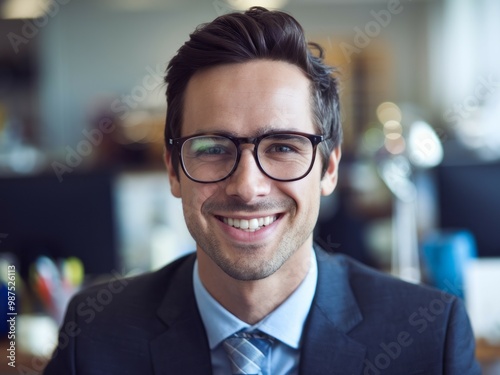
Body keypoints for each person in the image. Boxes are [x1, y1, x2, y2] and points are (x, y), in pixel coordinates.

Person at [44, 7, 480, 375]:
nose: (248, 188)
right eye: (213, 148)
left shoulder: (429, 337)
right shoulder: (96, 333)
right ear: (174, 171)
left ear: (329, 168)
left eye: (283, 147)